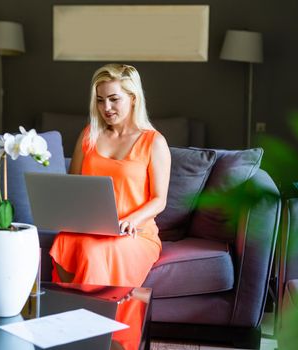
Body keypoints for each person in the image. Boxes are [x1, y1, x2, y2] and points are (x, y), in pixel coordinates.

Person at [49, 63, 171, 350]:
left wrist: (131, 220)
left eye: (114, 99)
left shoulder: (154, 142)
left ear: (133, 98)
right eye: (101, 100)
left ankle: (99, 337)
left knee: (95, 252)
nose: (106, 107)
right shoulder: (89, 135)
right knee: (67, 241)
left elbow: (159, 200)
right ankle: (74, 333)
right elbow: (74, 184)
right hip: (90, 226)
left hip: (134, 233)